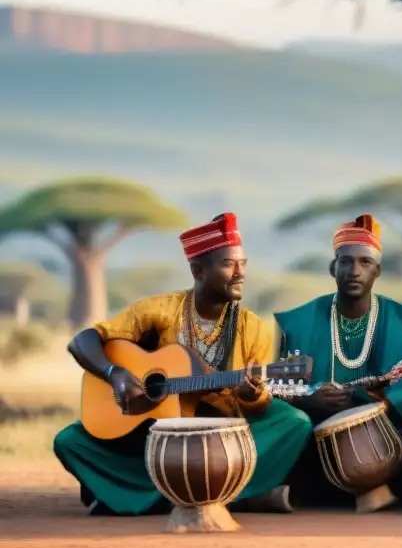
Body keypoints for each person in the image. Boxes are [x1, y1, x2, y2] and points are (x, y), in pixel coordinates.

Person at [52, 213, 313, 516]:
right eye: (229, 264)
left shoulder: (252, 327)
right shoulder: (158, 311)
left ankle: (141, 497)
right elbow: (82, 341)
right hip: (151, 439)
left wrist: (252, 395)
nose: (240, 273)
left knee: (294, 422)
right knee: (69, 440)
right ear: (198, 270)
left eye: (243, 264)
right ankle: (226, 497)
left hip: (220, 438)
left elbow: (255, 405)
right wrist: (115, 374)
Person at [273, 214, 402, 507]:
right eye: (345, 262)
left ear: (378, 270)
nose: (354, 270)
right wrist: (310, 398)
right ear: (333, 268)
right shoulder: (300, 322)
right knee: (288, 427)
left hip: (384, 432)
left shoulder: (400, 322)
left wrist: (362, 400)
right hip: (314, 430)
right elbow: (280, 390)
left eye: (365, 262)